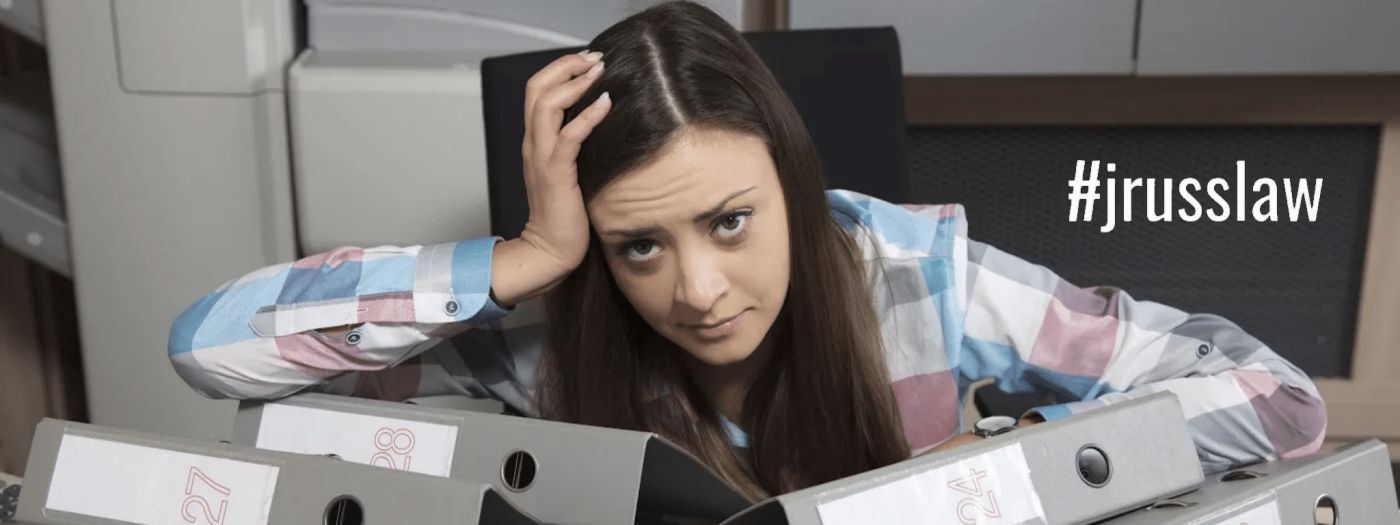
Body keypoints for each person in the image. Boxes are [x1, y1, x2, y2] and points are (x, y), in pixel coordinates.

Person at [168, 1, 1326, 500]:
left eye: (729, 221)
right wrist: (523, 258)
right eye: (638, 247)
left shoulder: (918, 276)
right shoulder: (549, 330)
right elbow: (211, 348)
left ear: (792, 183)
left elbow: (1273, 401)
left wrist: (1004, 463)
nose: (698, 290)